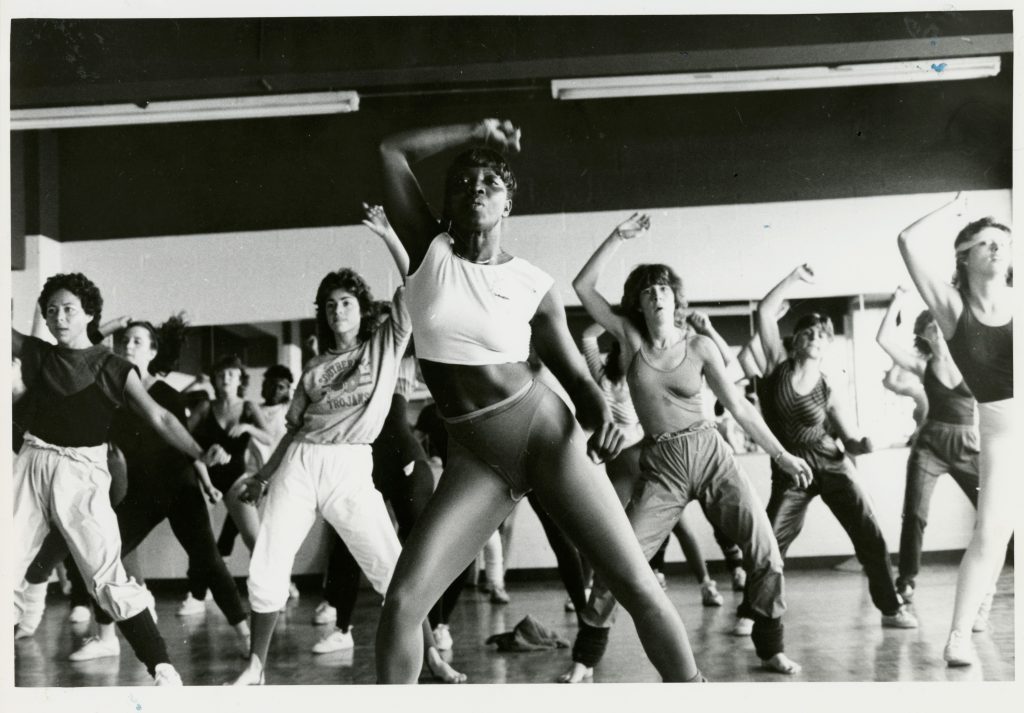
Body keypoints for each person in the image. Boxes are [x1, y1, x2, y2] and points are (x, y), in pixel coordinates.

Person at [375, 119, 704, 684]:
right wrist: (475, 131)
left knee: (635, 584)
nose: (476, 188)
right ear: (448, 202)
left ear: (508, 205)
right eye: (464, 182)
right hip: (476, 459)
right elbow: (390, 149)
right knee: (404, 604)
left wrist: (600, 416)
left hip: (544, 435)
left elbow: (579, 383)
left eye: (491, 183)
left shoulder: (534, 284)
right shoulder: (427, 251)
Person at [563, 213, 809, 682]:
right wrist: (618, 237)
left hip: (711, 453)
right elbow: (582, 286)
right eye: (648, 289)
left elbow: (739, 407)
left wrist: (781, 454)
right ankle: (585, 659)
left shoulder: (699, 347)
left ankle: (770, 647)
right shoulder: (629, 340)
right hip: (663, 464)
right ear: (638, 301)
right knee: (623, 561)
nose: (657, 294)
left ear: (676, 298)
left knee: (765, 552)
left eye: (664, 287)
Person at [227, 205, 464, 685]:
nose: (339, 311)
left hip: (351, 466)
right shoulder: (313, 369)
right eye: (331, 304)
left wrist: (388, 238)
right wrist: (264, 476)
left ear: (362, 307)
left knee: (392, 569)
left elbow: (416, 286)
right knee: (268, 561)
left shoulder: (385, 341)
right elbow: (293, 428)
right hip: (299, 464)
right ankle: (255, 666)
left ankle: (431, 658)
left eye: (347, 303)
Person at [11, 273, 228, 685]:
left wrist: (199, 453)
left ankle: (161, 666)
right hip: (32, 462)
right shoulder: (39, 353)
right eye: (51, 310)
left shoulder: (114, 367)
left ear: (89, 314)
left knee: (105, 573)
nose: (59, 317)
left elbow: (161, 417)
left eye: (68, 309)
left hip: (82, 473)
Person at [756, 264, 918, 631]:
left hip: (832, 463)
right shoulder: (775, 365)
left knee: (870, 535)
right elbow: (765, 311)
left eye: (822, 335)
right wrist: (794, 277)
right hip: (791, 469)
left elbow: (850, 441)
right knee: (769, 543)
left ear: (828, 345)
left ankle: (891, 609)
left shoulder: (830, 388)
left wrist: (866, 443)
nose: (815, 337)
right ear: (795, 340)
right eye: (808, 332)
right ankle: (755, 613)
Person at [897, 193, 1013, 666]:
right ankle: (958, 636)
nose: (996, 249)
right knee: (990, 530)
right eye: (984, 243)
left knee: (1006, 530)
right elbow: (905, 240)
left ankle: (983, 602)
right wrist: (955, 208)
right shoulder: (952, 308)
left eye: (1002, 241)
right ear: (963, 257)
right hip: (1002, 430)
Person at [876, 287, 981, 605]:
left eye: (940, 323)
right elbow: (883, 340)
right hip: (930, 447)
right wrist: (895, 303)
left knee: (995, 508)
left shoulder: (970, 359)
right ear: (923, 334)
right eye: (930, 326)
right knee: (915, 515)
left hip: (966, 444)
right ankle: (906, 581)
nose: (937, 329)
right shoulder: (922, 366)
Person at [179, 354, 272, 615]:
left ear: (240, 378)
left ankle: (273, 588)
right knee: (199, 540)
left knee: (255, 539)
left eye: (231, 374)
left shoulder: (249, 407)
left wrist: (247, 428)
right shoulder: (206, 407)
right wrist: (207, 453)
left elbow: (268, 437)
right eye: (221, 375)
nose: (226, 379)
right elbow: (181, 437)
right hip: (205, 475)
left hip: (236, 478)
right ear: (215, 381)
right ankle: (196, 595)